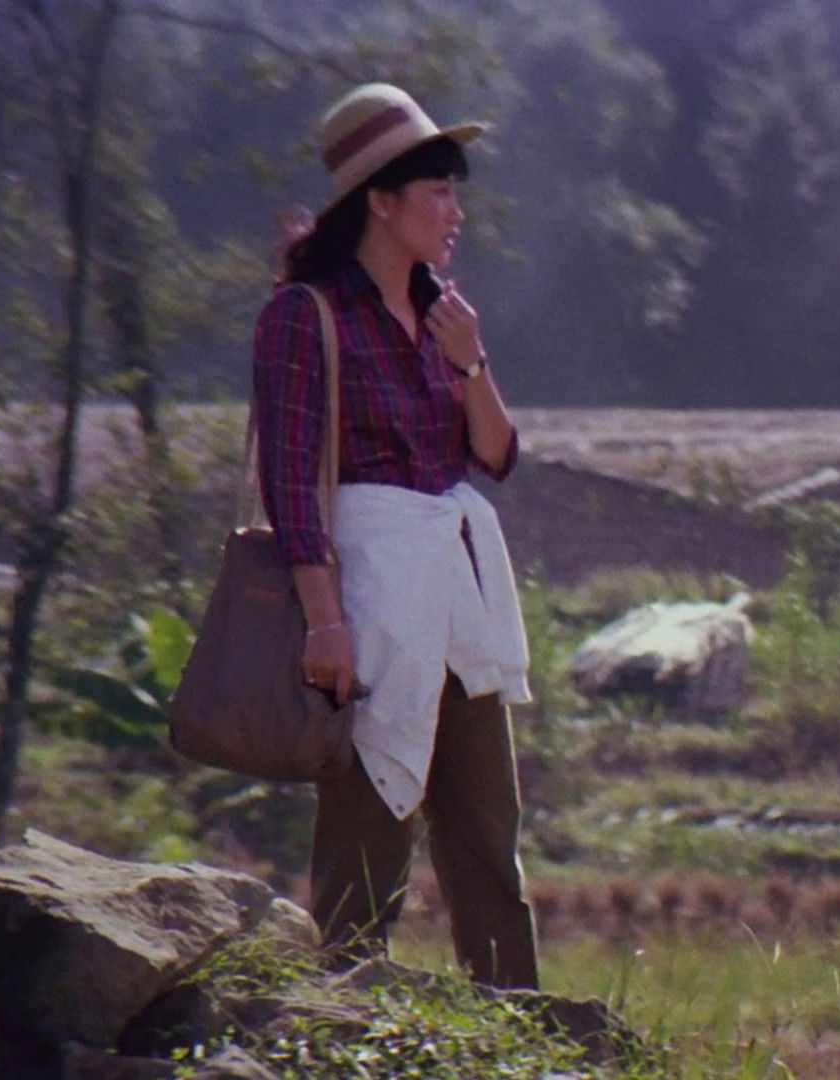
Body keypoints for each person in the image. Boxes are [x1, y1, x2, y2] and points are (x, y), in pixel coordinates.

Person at [252, 83, 538, 989]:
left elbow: (495, 454)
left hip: (451, 594)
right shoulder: (309, 315)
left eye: (456, 192)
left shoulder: (444, 316)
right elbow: (291, 481)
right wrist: (325, 622)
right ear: (380, 200)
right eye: (438, 191)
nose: (456, 212)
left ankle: (516, 1017)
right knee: (368, 821)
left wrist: (471, 362)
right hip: (370, 599)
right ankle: (342, 1013)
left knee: (486, 826)